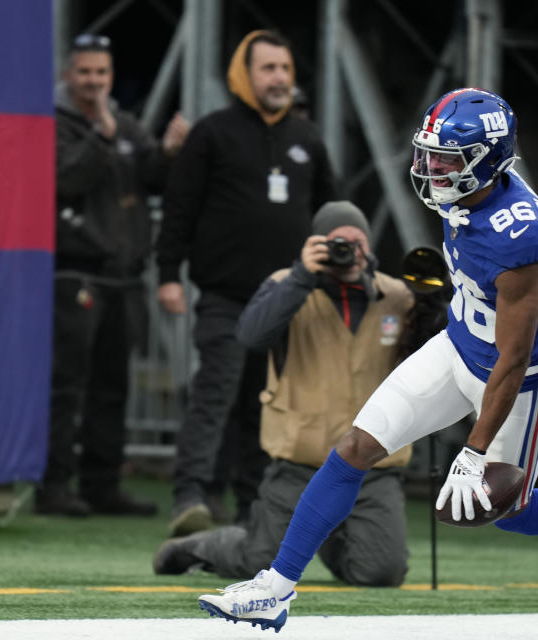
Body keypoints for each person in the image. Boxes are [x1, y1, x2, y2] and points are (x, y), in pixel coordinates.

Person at [194, 88, 538, 632]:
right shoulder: (468, 192)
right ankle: (275, 588)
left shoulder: (521, 234)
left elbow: (514, 354)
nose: (431, 168)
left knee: (510, 511)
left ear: (486, 161)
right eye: (428, 154)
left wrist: (472, 452)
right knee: (355, 447)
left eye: (446, 159)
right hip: (458, 345)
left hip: (518, 378)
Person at [153, 201, 432, 585]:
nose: (349, 251)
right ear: (316, 243)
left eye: (357, 242)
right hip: (301, 458)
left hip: (372, 464)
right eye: (338, 242)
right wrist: (303, 275)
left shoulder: (398, 295)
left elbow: (431, 351)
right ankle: (197, 547)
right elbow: (250, 335)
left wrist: (435, 302)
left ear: (370, 246)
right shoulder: (287, 283)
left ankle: (330, 534)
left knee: (381, 573)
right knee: (259, 561)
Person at [155, 29, 337, 536]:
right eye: (268, 69)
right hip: (226, 298)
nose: (279, 78)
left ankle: (252, 508)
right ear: (244, 75)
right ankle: (190, 497)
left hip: (286, 303)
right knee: (214, 395)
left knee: (267, 406)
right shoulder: (212, 133)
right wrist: (168, 275)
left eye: (285, 68)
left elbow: (330, 211)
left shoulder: (308, 139)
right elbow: (179, 209)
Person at [39, 33, 189, 517]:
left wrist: (167, 152)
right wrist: (100, 138)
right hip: (75, 274)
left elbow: (152, 178)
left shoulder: (125, 123)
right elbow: (63, 183)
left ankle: (102, 485)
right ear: (68, 75)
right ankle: (53, 486)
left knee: (112, 387)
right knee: (67, 386)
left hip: (124, 277)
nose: (94, 81)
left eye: (101, 73)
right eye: (85, 72)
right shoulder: (56, 125)